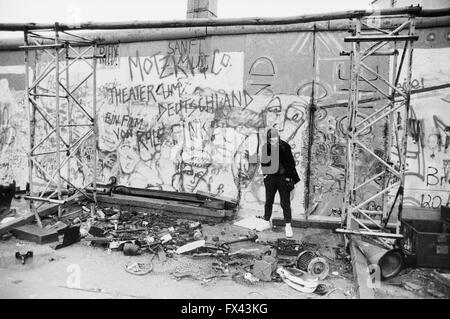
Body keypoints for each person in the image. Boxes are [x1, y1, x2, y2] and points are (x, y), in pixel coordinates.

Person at [260, 129, 300, 237]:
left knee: (285, 203)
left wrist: (289, 177)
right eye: (271, 138)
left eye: (275, 137)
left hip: (283, 178)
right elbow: (263, 162)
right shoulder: (266, 147)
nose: (274, 139)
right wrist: (265, 175)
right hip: (271, 178)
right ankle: (266, 221)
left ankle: (288, 226)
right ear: (268, 138)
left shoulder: (285, 146)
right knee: (269, 201)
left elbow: (291, 163)